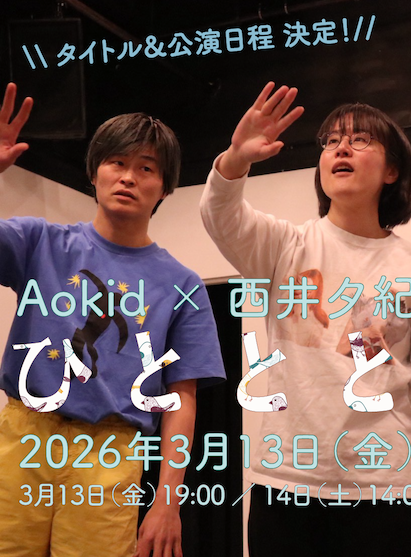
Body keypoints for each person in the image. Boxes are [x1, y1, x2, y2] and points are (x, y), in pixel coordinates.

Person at [200, 82, 411, 557]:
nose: (341, 148)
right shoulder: (286, 246)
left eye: (360, 139)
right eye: (332, 141)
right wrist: (236, 160)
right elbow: (221, 217)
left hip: (384, 490)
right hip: (285, 484)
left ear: (392, 170)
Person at [0, 82, 226, 557]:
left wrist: (167, 501)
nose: (128, 177)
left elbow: (181, 399)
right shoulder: (40, 242)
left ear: (165, 187)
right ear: (94, 172)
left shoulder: (182, 284)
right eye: (116, 162)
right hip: (24, 434)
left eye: (146, 168)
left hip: (111, 449)